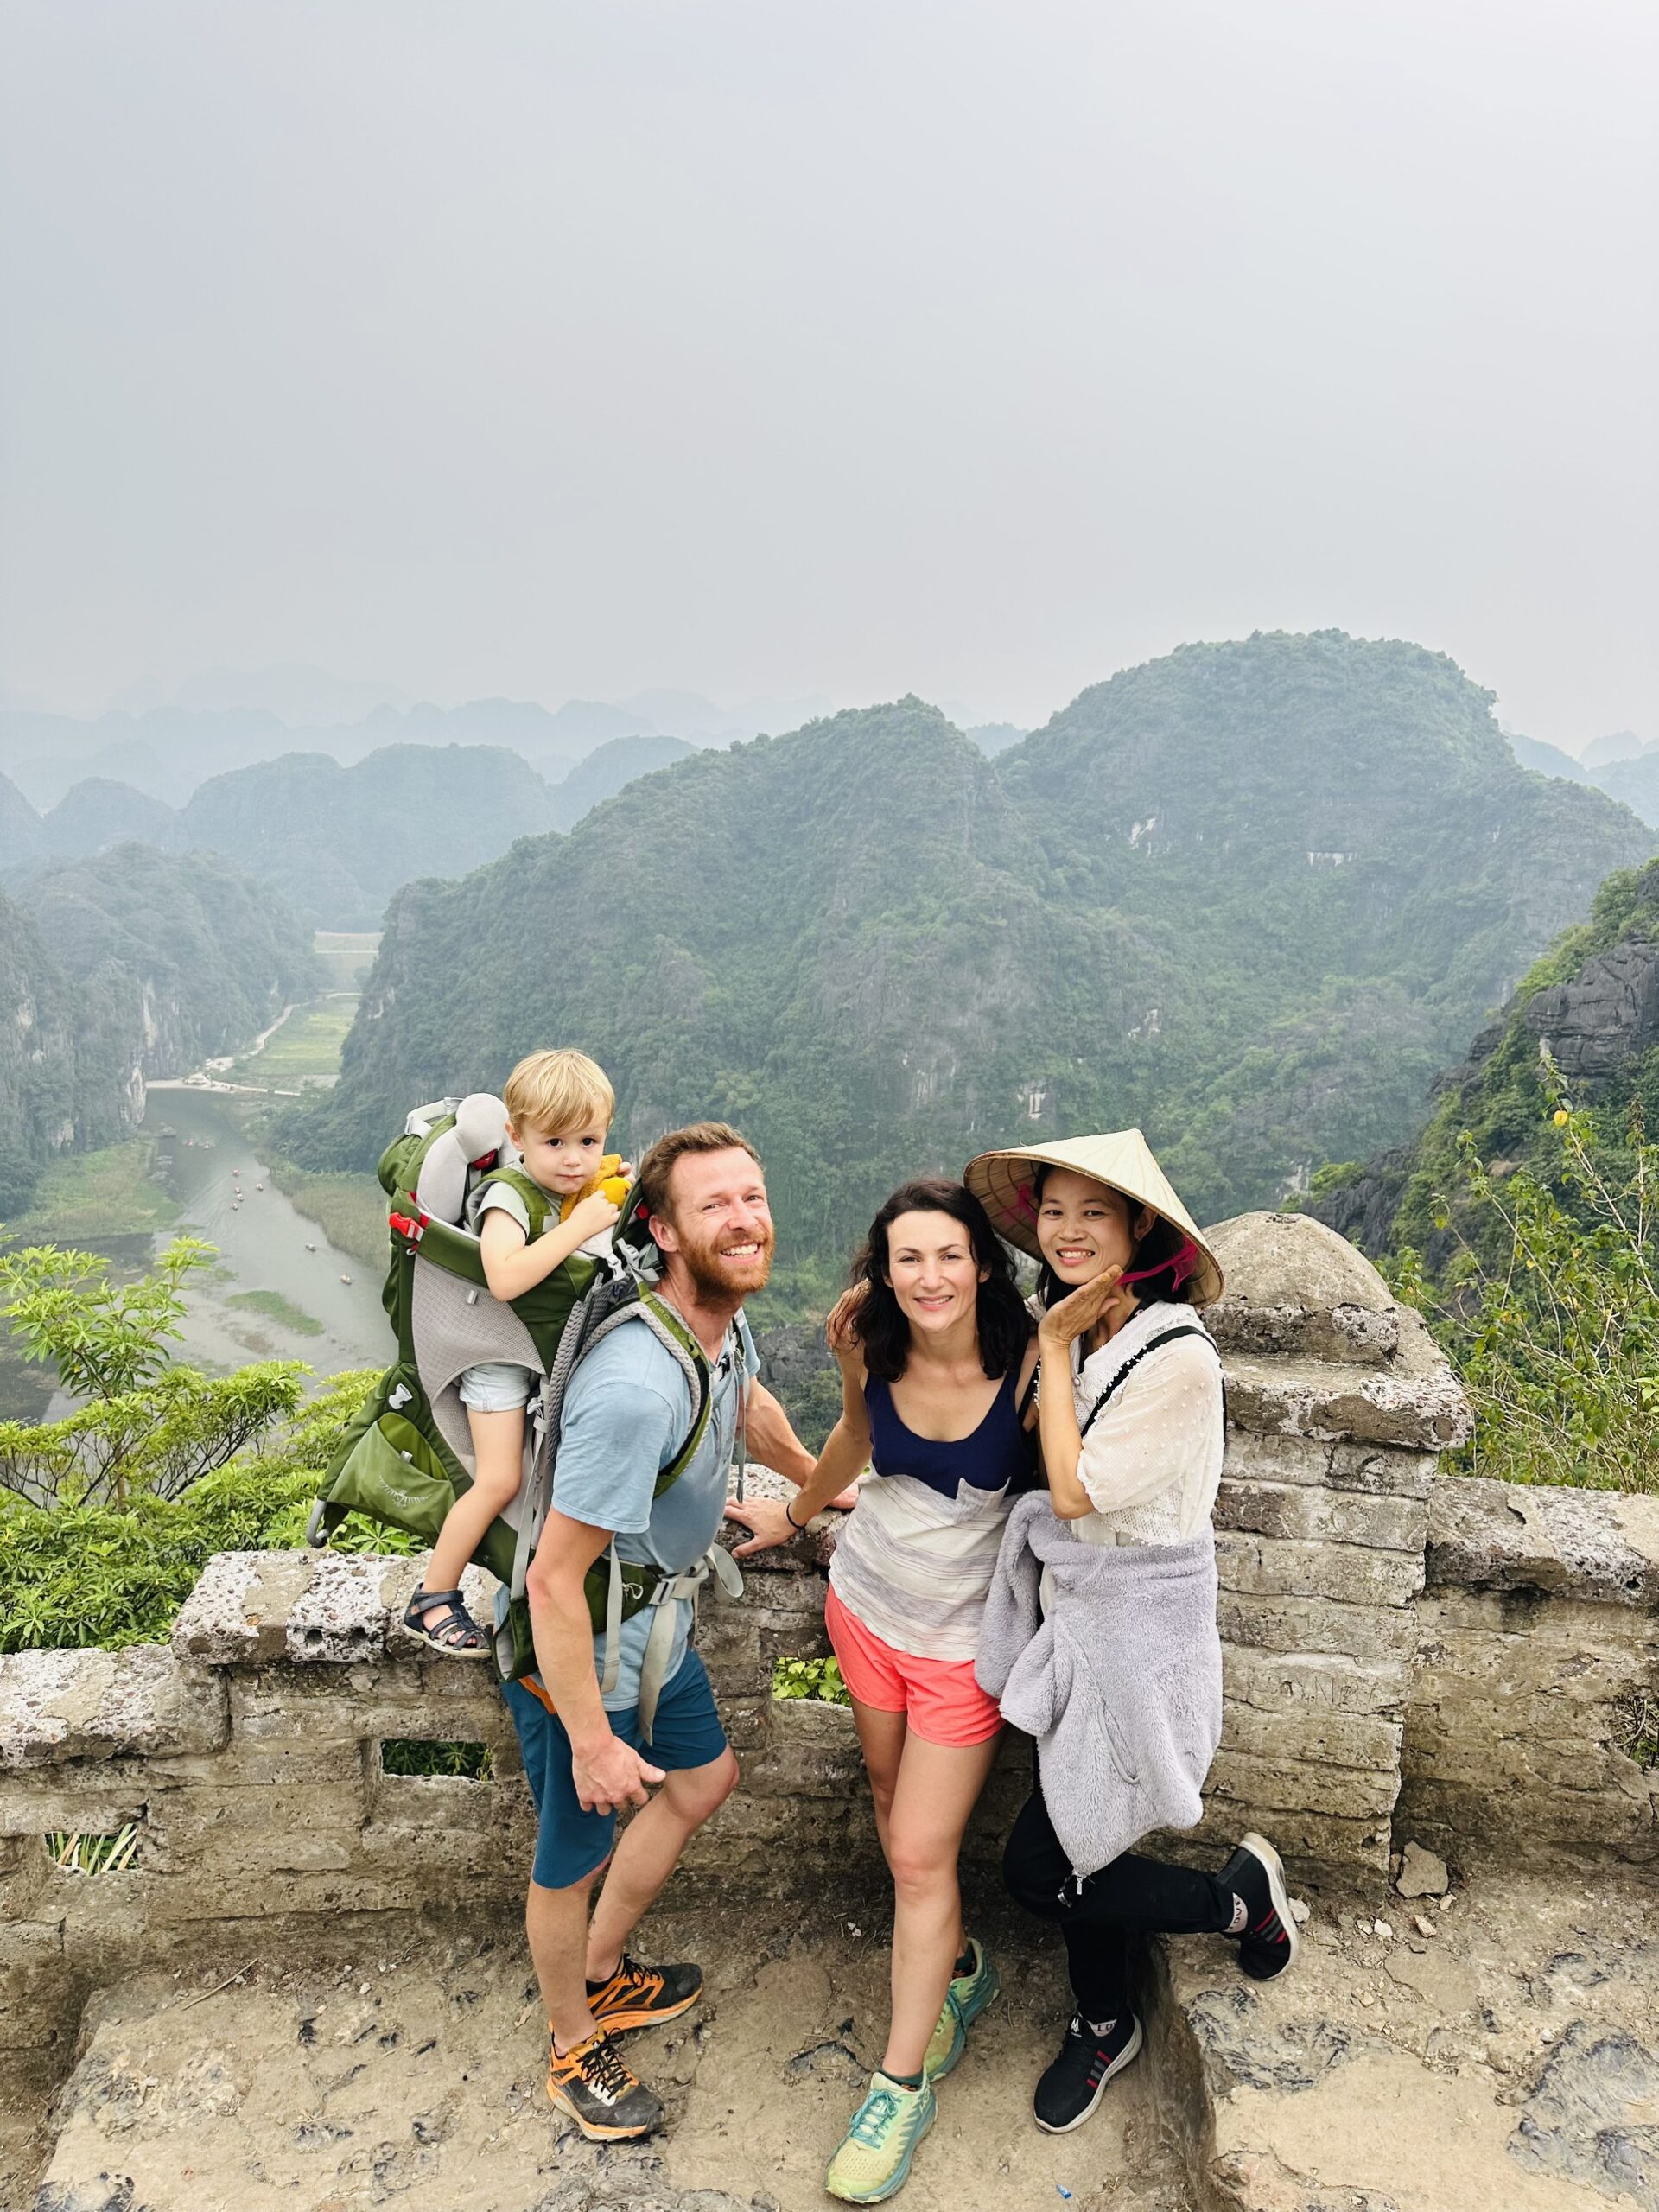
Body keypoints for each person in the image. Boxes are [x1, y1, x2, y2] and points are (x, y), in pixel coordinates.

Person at [964, 1133, 1300, 2138]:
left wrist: (1053, 1342)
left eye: (1094, 1213)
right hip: (1075, 1611)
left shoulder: (1178, 1359)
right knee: (1083, 1836)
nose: (1067, 1231)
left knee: (1044, 1866)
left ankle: (1236, 1902)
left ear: (1141, 1227)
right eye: (1053, 1210)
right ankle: (1105, 2021)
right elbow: (1017, 1448)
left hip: (1141, 1632)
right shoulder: (1071, 1324)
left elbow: (1074, 1488)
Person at [505, 1120, 821, 2140]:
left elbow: (749, 1404)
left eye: (752, 1196)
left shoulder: (718, 1328)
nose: (745, 1218)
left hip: (659, 1620)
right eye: (714, 1204)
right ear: (666, 1232)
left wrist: (818, 1485)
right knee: (571, 1855)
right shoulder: (637, 1387)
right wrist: (591, 1739)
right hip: (591, 1643)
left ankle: (604, 1971)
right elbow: (553, 1579)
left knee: (703, 1778)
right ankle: (572, 2046)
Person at [728, 1178, 1039, 2205]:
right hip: (866, 1607)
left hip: (962, 1649)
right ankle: (956, 1970)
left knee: (916, 1851)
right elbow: (856, 1438)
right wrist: (796, 1512)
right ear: (883, 1268)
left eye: (949, 1254)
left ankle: (899, 2086)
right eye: (909, 1258)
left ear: (982, 1262)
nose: (930, 1276)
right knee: (885, 1793)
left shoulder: (1032, 1367)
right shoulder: (874, 1342)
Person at [402, 1047, 628, 1657]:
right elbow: (503, 1278)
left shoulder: (569, 1188)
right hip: (497, 1358)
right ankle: (432, 1597)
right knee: (500, 1480)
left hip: (539, 1353)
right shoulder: (508, 1197)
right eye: (554, 1143)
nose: (574, 1159)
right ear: (516, 1137)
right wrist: (580, 1227)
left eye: (588, 1141)